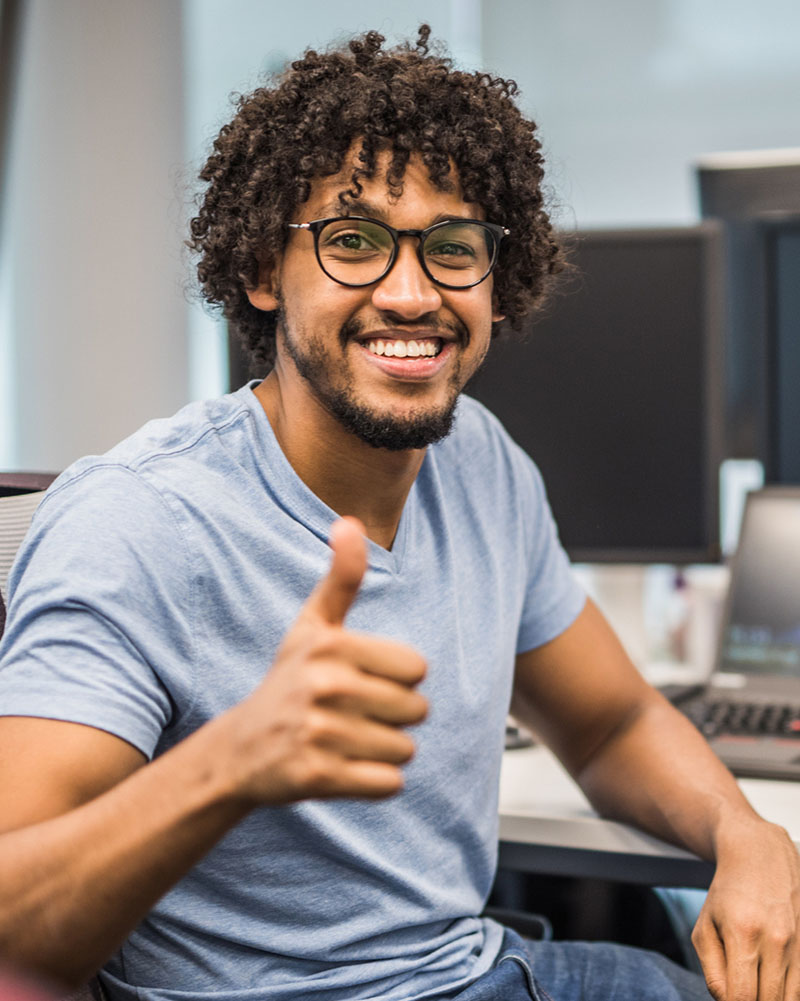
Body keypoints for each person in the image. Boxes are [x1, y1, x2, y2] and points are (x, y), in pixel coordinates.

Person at [0, 25, 798, 1001]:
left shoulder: (480, 462)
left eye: (452, 245)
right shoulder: (139, 521)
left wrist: (744, 833)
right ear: (260, 271)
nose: (411, 291)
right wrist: (228, 766)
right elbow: (15, 922)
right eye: (352, 240)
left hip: (474, 970)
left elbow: (609, 719)